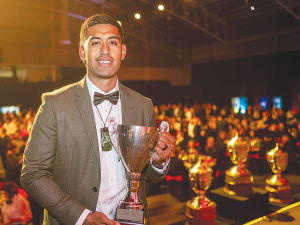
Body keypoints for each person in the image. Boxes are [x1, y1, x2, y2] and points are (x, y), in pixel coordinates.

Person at [20, 14, 175, 225]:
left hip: (131, 220)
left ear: (123, 51)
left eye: (112, 42)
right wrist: (82, 217)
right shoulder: (55, 105)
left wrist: (158, 161)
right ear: (82, 52)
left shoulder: (143, 105)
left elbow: (148, 174)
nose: (105, 50)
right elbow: (33, 174)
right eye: (96, 42)